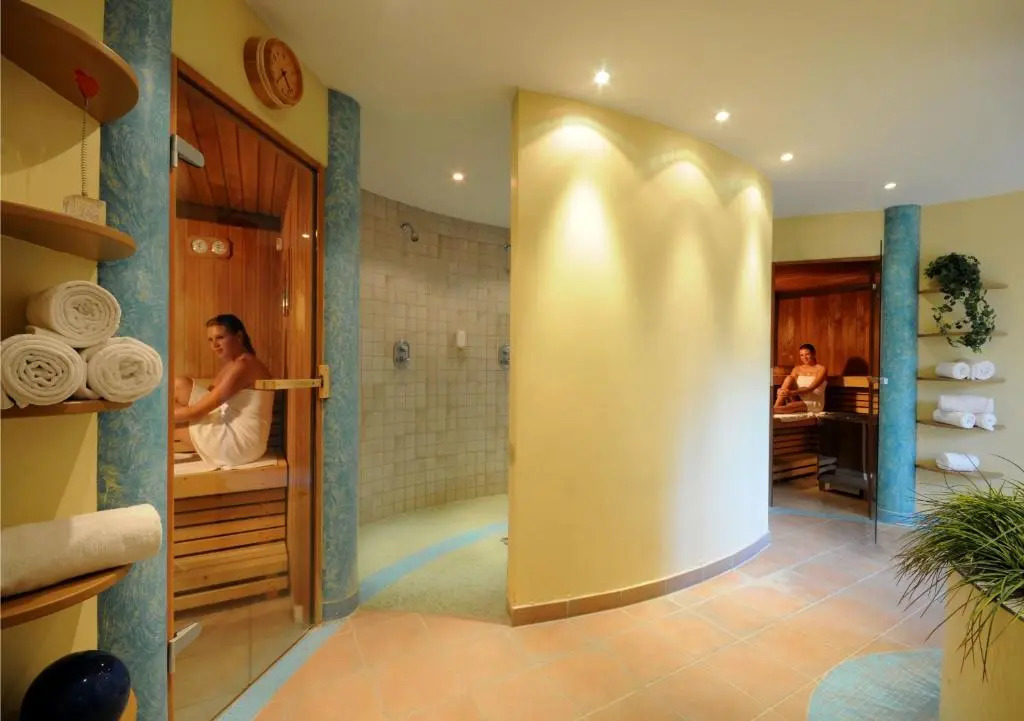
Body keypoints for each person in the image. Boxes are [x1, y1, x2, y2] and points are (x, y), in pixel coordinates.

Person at [174, 314, 274, 468]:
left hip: (240, 444)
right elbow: (207, 399)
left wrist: (159, 414)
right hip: (232, 427)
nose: (215, 345)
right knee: (180, 385)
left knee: (169, 425)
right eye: (210, 340)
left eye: (220, 338)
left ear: (238, 336)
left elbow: (196, 412)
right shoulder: (234, 365)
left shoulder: (243, 367)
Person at [774, 343, 828, 414]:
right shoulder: (797, 369)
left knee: (792, 406)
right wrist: (782, 391)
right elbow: (789, 384)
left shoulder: (821, 369)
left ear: (814, 354)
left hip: (813, 401)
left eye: (807, 354)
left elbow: (810, 389)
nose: (804, 357)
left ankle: (770, 411)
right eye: (801, 355)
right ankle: (776, 406)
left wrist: (791, 393)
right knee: (789, 378)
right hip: (797, 398)